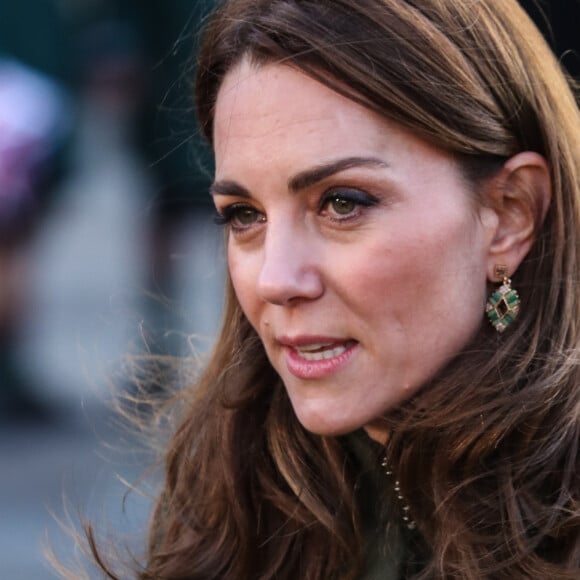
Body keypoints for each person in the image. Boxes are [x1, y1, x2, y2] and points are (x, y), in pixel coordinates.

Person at [83, 0, 580, 578]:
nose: (275, 280)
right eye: (244, 215)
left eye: (342, 204)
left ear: (509, 213)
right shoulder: (237, 490)